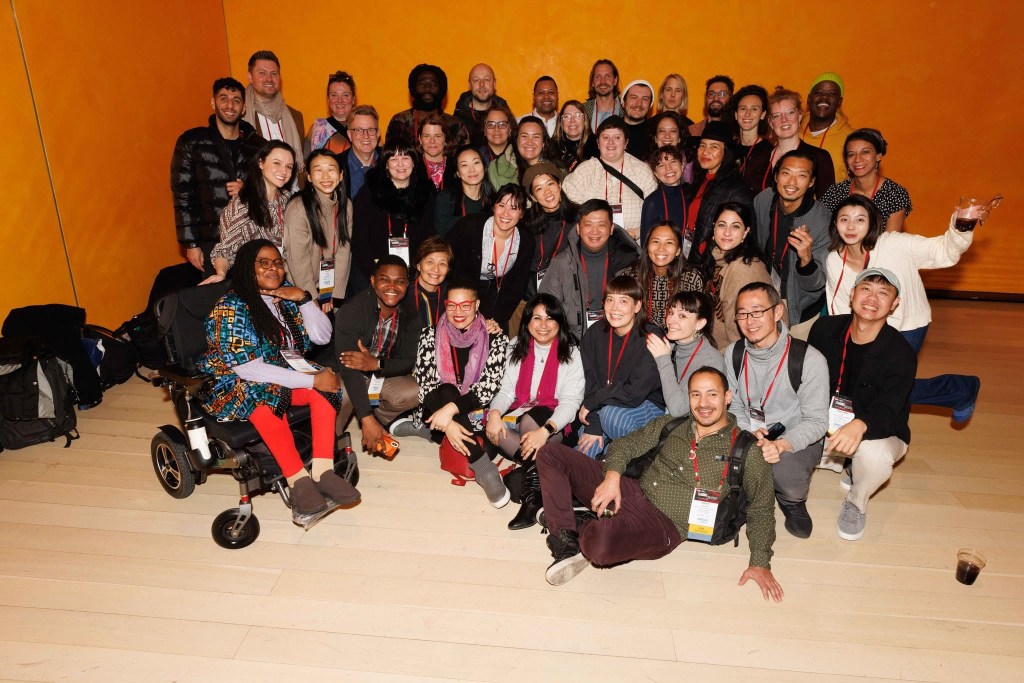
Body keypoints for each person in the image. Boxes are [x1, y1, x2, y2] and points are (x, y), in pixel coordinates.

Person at [536, 366, 782, 601]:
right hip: (630, 489)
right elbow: (626, 445)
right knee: (551, 453)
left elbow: (761, 508)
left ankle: (581, 520)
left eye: (712, 394)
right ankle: (566, 539)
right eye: (696, 395)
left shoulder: (747, 450)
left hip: (663, 525)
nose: (703, 403)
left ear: (727, 397)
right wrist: (612, 477)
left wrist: (760, 562)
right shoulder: (673, 424)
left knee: (599, 546)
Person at [198, 239, 358, 528]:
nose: (273, 268)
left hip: (281, 372)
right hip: (236, 382)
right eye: (264, 262)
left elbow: (322, 336)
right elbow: (248, 368)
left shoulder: (284, 298)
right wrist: (310, 380)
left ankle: (323, 471)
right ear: (247, 268)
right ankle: (297, 480)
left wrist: (304, 300)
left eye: (277, 263)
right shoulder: (230, 308)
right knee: (266, 399)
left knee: (327, 387)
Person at [824, 195, 988, 424]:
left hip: (907, 326)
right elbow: (841, 304)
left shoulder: (894, 244)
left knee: (883, 387)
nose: (851, 227)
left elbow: (942, 250)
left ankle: (958, 388)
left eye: (860, 219)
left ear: (872, 223)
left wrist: (962, 225)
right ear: (835, 223)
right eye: (844, 219)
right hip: (866, 328)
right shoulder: (834, 260)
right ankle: (959, 389)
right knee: (866, 385)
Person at [808, 268, 916, 541]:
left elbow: (890, 412)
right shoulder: (824, 329)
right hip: (827, 422)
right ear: (852, 294)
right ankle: (848, 465)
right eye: (866, 289)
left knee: (874, 457)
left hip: (877, 430)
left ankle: (857, 501)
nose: (872, 298)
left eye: (883, 293)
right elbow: (805, 381)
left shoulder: (901, 353)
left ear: (895, 304)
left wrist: (861, 424)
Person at [724, 282, 829, 538]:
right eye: (742, 313)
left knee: (787, 477)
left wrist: (781, 445)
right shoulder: (733, 353)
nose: (750, 321)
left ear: (778, 312)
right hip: (751, 430)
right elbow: (734, 404)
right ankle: (751, 490)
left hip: (794, 436)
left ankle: (791, 502)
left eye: (758, 311)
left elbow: (817, 421)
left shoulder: (809, 359)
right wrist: (748, 431)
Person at [484, 294, 585, 530]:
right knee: (497, 432)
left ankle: (530, 504)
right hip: (523, 417)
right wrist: (494, 414)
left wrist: (545, 431)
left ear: (559, 322)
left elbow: (570, 403)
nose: (543, 325)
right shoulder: (515, 346)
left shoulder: (571, 352)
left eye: (550, 318)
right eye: (537, 318)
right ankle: (543, 479)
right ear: (527, 321)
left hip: (559, 424)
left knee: (529, 420)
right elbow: (506, 391)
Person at [412, 278, 512, 505]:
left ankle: (429, 432)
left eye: (465, 305)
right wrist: (449, 423)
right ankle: (484, 469)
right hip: (436, 408)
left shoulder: (496, 337)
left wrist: (451, 410)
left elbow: (488, 388)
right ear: (445, 305)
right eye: (452, 305)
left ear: (477, 305)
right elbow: (426, 385)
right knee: (447, 389)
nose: (458, 312)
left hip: (475, 413)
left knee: (489, 446)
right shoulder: (429, 335)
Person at [171, 77, 264, 276]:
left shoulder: (259, 146)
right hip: (210, 241)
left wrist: (248, 191)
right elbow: (182, 195)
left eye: (236, 100)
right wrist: (191, 243)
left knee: (252, 295)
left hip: (250, 240)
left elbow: (274, 192)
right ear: (213, 103)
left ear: (244, 108)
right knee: (217, 294)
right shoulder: (192, 142)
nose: (230, 105)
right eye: (224, 98)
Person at [334, 256, 422, 449]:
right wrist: (366, 418)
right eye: (385, 280)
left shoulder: (410, 312)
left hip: (379, 374)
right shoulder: (352, 311)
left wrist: (376, 364)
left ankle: (382, 418)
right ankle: (333, 441)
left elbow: (409, 360)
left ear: (407, 285)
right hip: (348, 374)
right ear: (373, 281)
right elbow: (348, 368)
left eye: (400, 282)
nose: (392, 287)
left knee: (415, 391)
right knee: (342, 394)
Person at [576, 275, 664, 458]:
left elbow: (635, 392)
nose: (615, 308)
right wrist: (594, 423)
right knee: (586, 448)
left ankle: (619, 457)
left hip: (644, 404)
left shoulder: (650, 336)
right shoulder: (595, 333)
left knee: (612, 418)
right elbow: (587, 380)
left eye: (623, 301)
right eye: (610, 300)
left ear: (637, 306)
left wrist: (595, 402)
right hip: (604, 405)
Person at [753, 149, 830, 339]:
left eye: (801, 175)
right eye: (786, 173)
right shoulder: (763, 201)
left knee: (794, 356)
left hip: (800, 307)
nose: (792, 182)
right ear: (776, 176)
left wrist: (806, 259)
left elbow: (817, 284)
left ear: (811, 182)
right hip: (766, 294)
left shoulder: (822, 220)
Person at [539, 199, 640, 341]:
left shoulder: (630, 261)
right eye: (588, 225)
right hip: (573, 340)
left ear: (611, 228)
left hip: (620, 337)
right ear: (578, 229)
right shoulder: (562, 263)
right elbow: (546, 307)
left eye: (601, 225)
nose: (594, 231)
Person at [349, 136, 435, 293]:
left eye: (405, 158)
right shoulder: (369, 193)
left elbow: (430, 237)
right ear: (386, 165)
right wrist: (375, 274)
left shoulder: (426, 193)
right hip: (373, 273)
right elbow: (359, 240)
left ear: (414, 163)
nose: (400, 164)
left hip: (414, 274)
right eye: (394, 159)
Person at [448, 184, 536, 329]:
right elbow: (447, 255)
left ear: (521, 214)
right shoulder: (470, 226)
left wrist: (498, 319)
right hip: (462, 292)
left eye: (513, 208)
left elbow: (517, 285)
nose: (506, 213)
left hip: (497, 296)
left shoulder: (526, 241)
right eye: (501, 205)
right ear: (494, 206)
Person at [206, 141, 295, 282]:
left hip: (285, 277)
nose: (284, 171)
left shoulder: (288, 199)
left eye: (289, 166)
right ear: (261, 163)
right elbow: (225, 250)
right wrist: (221, 274)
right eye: (277, 163)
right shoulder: (242, 206)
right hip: (254, 282)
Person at [562, 117, 657, 242]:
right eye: (605, 137)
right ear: (598, 143)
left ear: (626, 143)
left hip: (634, 245)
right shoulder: (584, 171)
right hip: (592, 243)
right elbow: (569, 210)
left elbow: (655, 212)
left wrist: (636, 232)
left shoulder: (642, 171)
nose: (611, 142)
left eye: (617, 137)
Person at [281, 149, 351, 309]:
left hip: (327, 285)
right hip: (299, 285)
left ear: (341, 175)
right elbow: (298, 259)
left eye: (331, 169)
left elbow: (344, 249)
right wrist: (310, 298)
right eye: (318, 170)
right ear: (309, 176)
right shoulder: (298, 208)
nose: (325, 176)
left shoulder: (345, 205)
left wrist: (335, 293)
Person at [700, 202, 773, 348]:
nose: (727, 232)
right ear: (714, 227)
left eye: (735, 226)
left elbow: (741, 330)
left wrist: (732, 357)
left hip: (735, 352)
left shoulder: (743, 268)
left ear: (745, 232)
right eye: (722, 225)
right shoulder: (719, 258)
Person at [683, 121, 754, 264]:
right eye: (702, 145)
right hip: (691, 256)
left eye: (714, 146)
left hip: (713, 263)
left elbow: (742, 239)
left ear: (726, 152)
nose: (705, 151)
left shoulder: (736, 189)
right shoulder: (700, 180)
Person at [646, 291, 726, 417]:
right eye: (671, 312)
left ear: (699, 324)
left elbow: (678, 410)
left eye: (682, 316)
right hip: (661, 410)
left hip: (690, 423)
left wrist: (663, 359)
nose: (671, 320)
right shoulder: (670, 345)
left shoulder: (710, 361)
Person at [820, 128, 912, 233]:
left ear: (878, 156)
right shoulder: (835, 192)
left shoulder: (894, 193)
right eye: (851, 154)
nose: (857, 159)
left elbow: (890, 241)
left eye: (865, 152)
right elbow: (821, 231)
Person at [619, 222, 704, 329]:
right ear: (647, 247)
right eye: (656, 241)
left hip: (679, 336)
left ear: (678, 250)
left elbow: (696, 320)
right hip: (641, 335)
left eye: (669, 243)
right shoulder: (631, 275)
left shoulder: (692, 279)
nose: (661, 248)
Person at [761, 87, 834, 199]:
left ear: (799, 116)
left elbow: (828, 203)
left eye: (790, 113)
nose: (784, 120)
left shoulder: (820, 157)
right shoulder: (762, 156)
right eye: (777, 115)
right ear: (771, 122)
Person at [242, 51, 304, 176]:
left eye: (274, 74)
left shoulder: (296, 116)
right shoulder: (240, 115)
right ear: (250, 77)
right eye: (262, 73)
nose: (269, 79)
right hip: (255, 186)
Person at [522, 162, 577, 298]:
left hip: (568, 291)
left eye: (550, 184)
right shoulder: (525, 224)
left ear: (559, 185)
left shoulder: (579, 218)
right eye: (539, 189)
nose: (547, 192)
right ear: (533, 197)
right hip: (532, 293)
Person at [385, 64, 469, 149]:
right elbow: (389, 154)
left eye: (433, 84)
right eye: (422, 84)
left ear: (441, 89)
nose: (427, 88)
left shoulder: (455, 125)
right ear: (413, 88)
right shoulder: (399, 122)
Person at [800, 72, 853, 180]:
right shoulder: (792, 131)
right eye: (818, 92)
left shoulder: (851, 138)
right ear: (809, 98)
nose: (824, 97)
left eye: (832, 93)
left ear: (839, 102)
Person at [434, 145, 492, 237]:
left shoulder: (494, 199)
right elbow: (441, 235)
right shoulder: (447, 199)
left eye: (476, 162)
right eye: (464, 165)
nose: (472, 170)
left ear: (484, 167)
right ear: (458, 173)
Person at [729, 84, 773, 194]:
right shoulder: (727, 148)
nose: (747, 114)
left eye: (754, 109)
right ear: (736, 114)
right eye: (743, 108)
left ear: (763, 114)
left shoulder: (770, 153)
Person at [453, 63, 510, 147]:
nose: (482, 85)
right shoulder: (457, 121)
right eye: (476, 80)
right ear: (469, 85)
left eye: (487, 79)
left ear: (494, 84)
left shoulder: (506, 116)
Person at [403, 236, 452, 329]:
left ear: (448, 269)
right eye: (430, 262)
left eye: (442, 264)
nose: (436, 269)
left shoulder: (451, 294)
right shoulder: (404, 294)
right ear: (418, 265)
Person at [640, 144, 687, 242]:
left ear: (682, 166)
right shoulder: (652, 202)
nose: (668, 168)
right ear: (655, 173)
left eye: (673, 161)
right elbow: (645, 242)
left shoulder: (692, 194)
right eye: (661, 165)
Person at [306, 71, 355, 155]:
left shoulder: (364, 127)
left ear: (353, 99)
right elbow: (305, 159)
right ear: (328, 100)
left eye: (345, 95)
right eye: (334, 95)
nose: (340, 100)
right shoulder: (318, 128)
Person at [338, 105, 381, 200]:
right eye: (358, 130)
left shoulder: (391, 161)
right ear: (349, 135)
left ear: (378, 133)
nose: (366, 136)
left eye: (371, 130)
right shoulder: (336, 165)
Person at [583, 59, 624, 130]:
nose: (603, 81)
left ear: (615, 80)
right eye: (598, 76)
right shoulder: (583, 110)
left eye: (608, 76)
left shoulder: (625, 109)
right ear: (592, 82)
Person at [619, 79, 655, 158]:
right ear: (623, 102)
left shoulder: (655, 134)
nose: (639, 104)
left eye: (645, 99)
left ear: (650, 105)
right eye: (633, 97)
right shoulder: (610, 128)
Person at [553, 100, 590, 171]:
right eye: (567, 116)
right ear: (561, 122)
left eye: (577, 115)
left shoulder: (597, 148)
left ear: (585, 120)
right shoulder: (551, 149)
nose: (572, 120)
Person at [417, 113, 450, 190]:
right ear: (420, 139)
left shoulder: (457, 165)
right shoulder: (411, 166)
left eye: (437, 136)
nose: (432, 141)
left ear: (445, 138)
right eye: (426, 136)